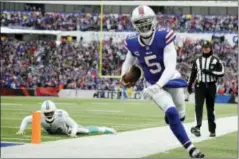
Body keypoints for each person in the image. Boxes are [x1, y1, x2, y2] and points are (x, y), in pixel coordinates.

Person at [121, 5, 204, 158]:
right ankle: (191, 149)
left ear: (153, 21)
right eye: (140, 22)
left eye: (146, 21)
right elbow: (128, 62)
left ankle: (176, 120)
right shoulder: (132, 42)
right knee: (171, 113)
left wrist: (158, 85)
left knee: (180, 116)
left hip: (170, 79)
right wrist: (123, 76)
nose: (144, 25)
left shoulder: (163, 36)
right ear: (134, 25)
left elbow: (170, 67)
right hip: (153, 83)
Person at [16, 100, 116, 137]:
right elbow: (26, 119)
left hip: (66, 129)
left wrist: (72, 133)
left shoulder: (61, 115)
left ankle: (105, 129)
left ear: (55, 111)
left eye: (51, 112)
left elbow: (73, 125)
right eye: (47, 113)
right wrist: (21, 130)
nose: (49, 115)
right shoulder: (38, 115)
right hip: (53, 131)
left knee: (85, 130)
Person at [188, 40, 225, 137]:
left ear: (210, 48)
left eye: (207, 47)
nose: (205, 49)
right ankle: (197, 127)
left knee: (210, 108)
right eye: (204, 47)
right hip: (199, 85)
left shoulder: (216, 59)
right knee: (198, 106)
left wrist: (210, 72)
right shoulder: (197, 60)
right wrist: (189, 84)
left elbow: (222, 72)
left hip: (211, 85)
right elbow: (193, 73)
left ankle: (212, 130)